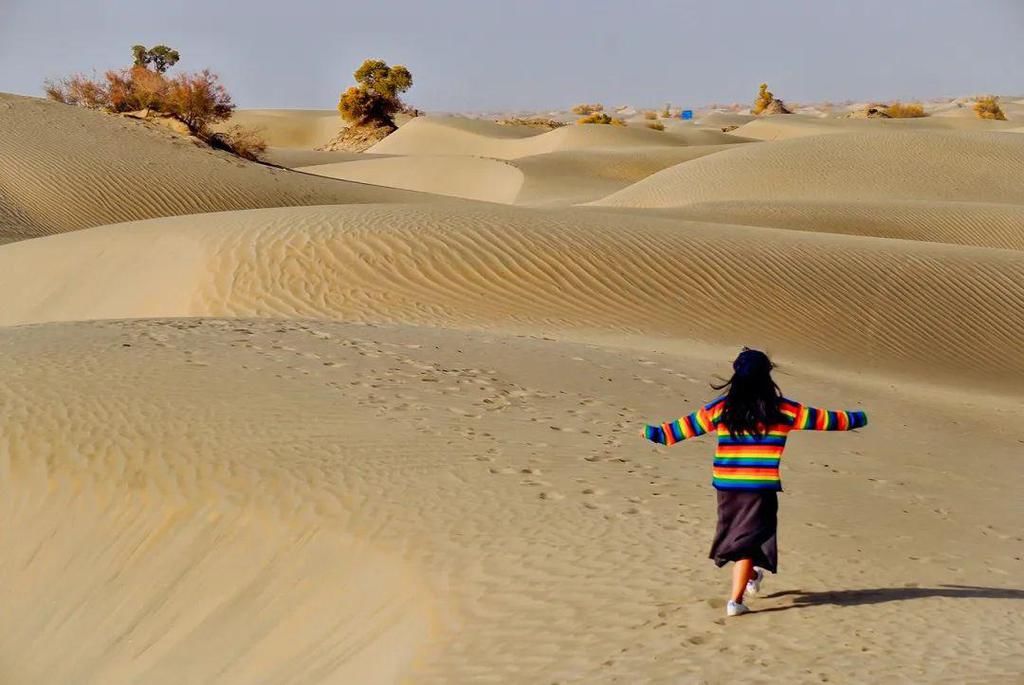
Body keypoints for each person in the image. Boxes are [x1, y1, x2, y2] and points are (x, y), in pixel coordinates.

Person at [641, 348, 867, 617]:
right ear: (767, 376)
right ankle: (735, 601)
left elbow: (680, 429)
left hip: (727, 488)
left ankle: (751, 578)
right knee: (747, 540)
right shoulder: (782, 409)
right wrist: (859, 418)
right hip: (759, 488)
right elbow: (826, 420)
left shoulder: (721, 408)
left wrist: (653, 433)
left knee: (750, 535)